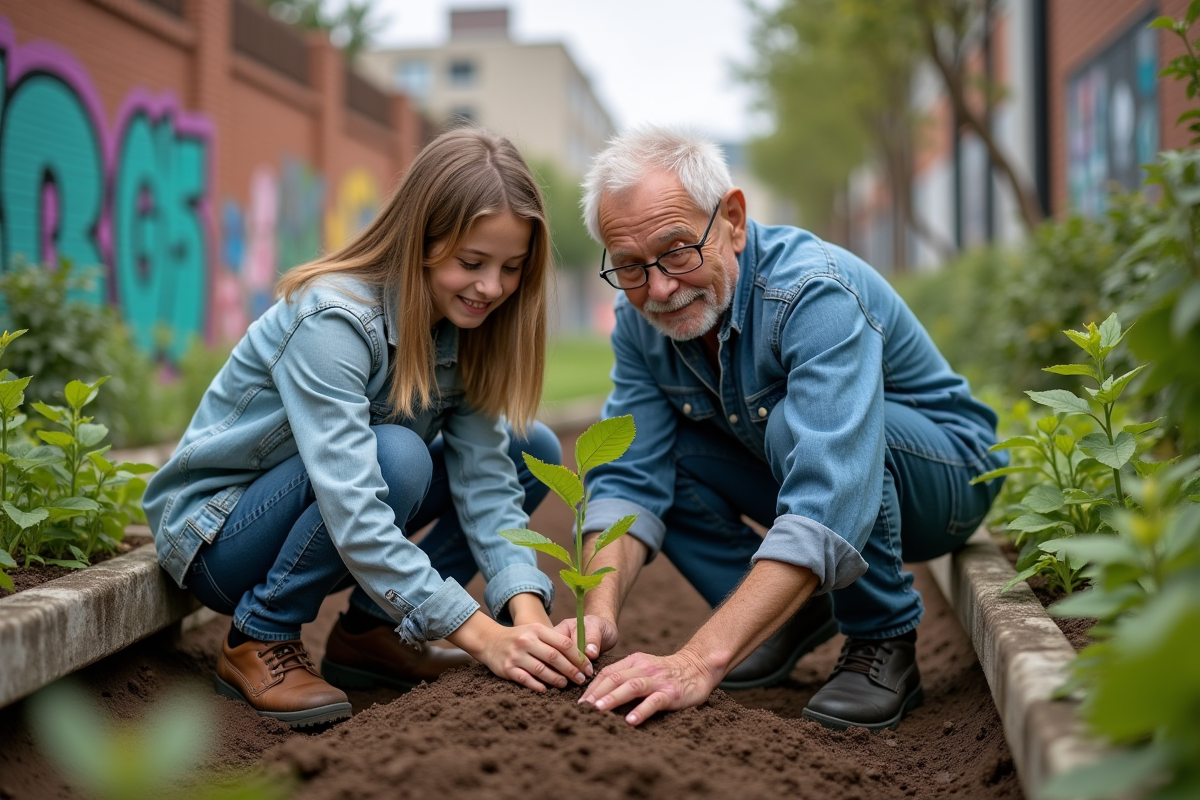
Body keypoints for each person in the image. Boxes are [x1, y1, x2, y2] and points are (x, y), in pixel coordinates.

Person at [560, 127, 1007, 732]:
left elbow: (830, 480)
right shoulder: (639, 322)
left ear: (734, 221)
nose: (659, 289)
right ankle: (789, 609)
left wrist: (697, 660)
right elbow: (630, 474)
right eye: (631, 267)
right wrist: (599, 610)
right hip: (824, 469)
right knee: (670, 457)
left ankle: (883, 640)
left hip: (945, 478)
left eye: (677, 251)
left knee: (793, 426)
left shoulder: (811, 293)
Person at [143, 127, 592, 729]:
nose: (492, 288)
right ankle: (261, 634)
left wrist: (526, 612)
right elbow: (352, 499)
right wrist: (482, 637)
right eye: (471, 262)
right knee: (398, 455)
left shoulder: (470, 329)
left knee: (525, 446)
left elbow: (485, 482)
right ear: (421, 240)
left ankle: (372, 635)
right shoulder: (335, 318)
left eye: (512, 268)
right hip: (219, 535)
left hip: (323, 511)